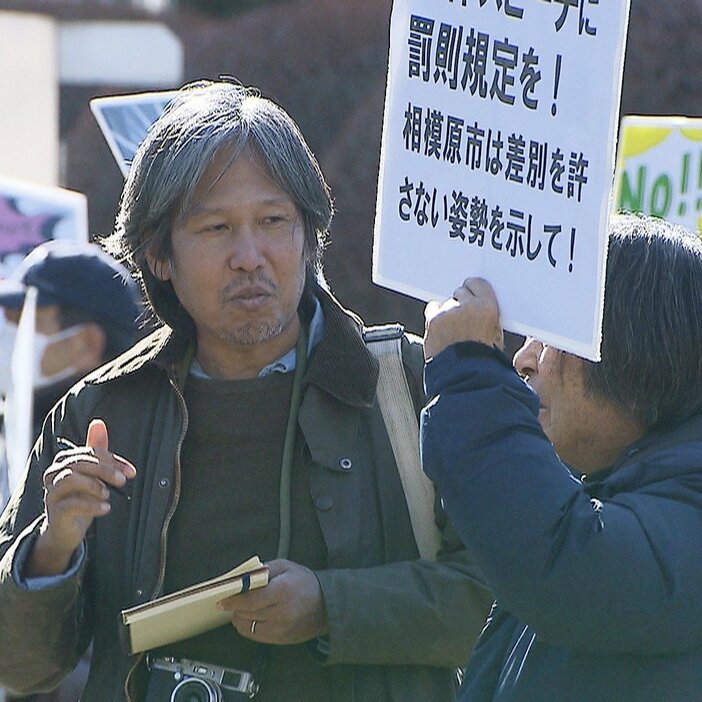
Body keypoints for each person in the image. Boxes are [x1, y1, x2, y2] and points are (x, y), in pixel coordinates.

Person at [0, 81, 491, 702]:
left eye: (273, 221)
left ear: (308, 236)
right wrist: (52, 549)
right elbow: (21, 668)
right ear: (158, 256)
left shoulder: (407, 388)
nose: (249, 256)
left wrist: (332, 607)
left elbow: (503, 597)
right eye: (215, 228)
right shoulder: (102, 411)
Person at [420, 213, 702, 701]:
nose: (524, 359)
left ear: (638, 350)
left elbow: (565, 561)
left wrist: (468, 376)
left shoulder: (687, 514)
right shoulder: (613, 491)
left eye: (554, 337)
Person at [0, 240, 142, 702]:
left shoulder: (139, 459)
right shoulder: (14, 441)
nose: (9, 340)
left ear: (84, 343)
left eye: (25, 324)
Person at [0, 240, 143, 509]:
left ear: (87, 343)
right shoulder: (25, 431)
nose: (7, 335)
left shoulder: (121, 455)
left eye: (25, 320)